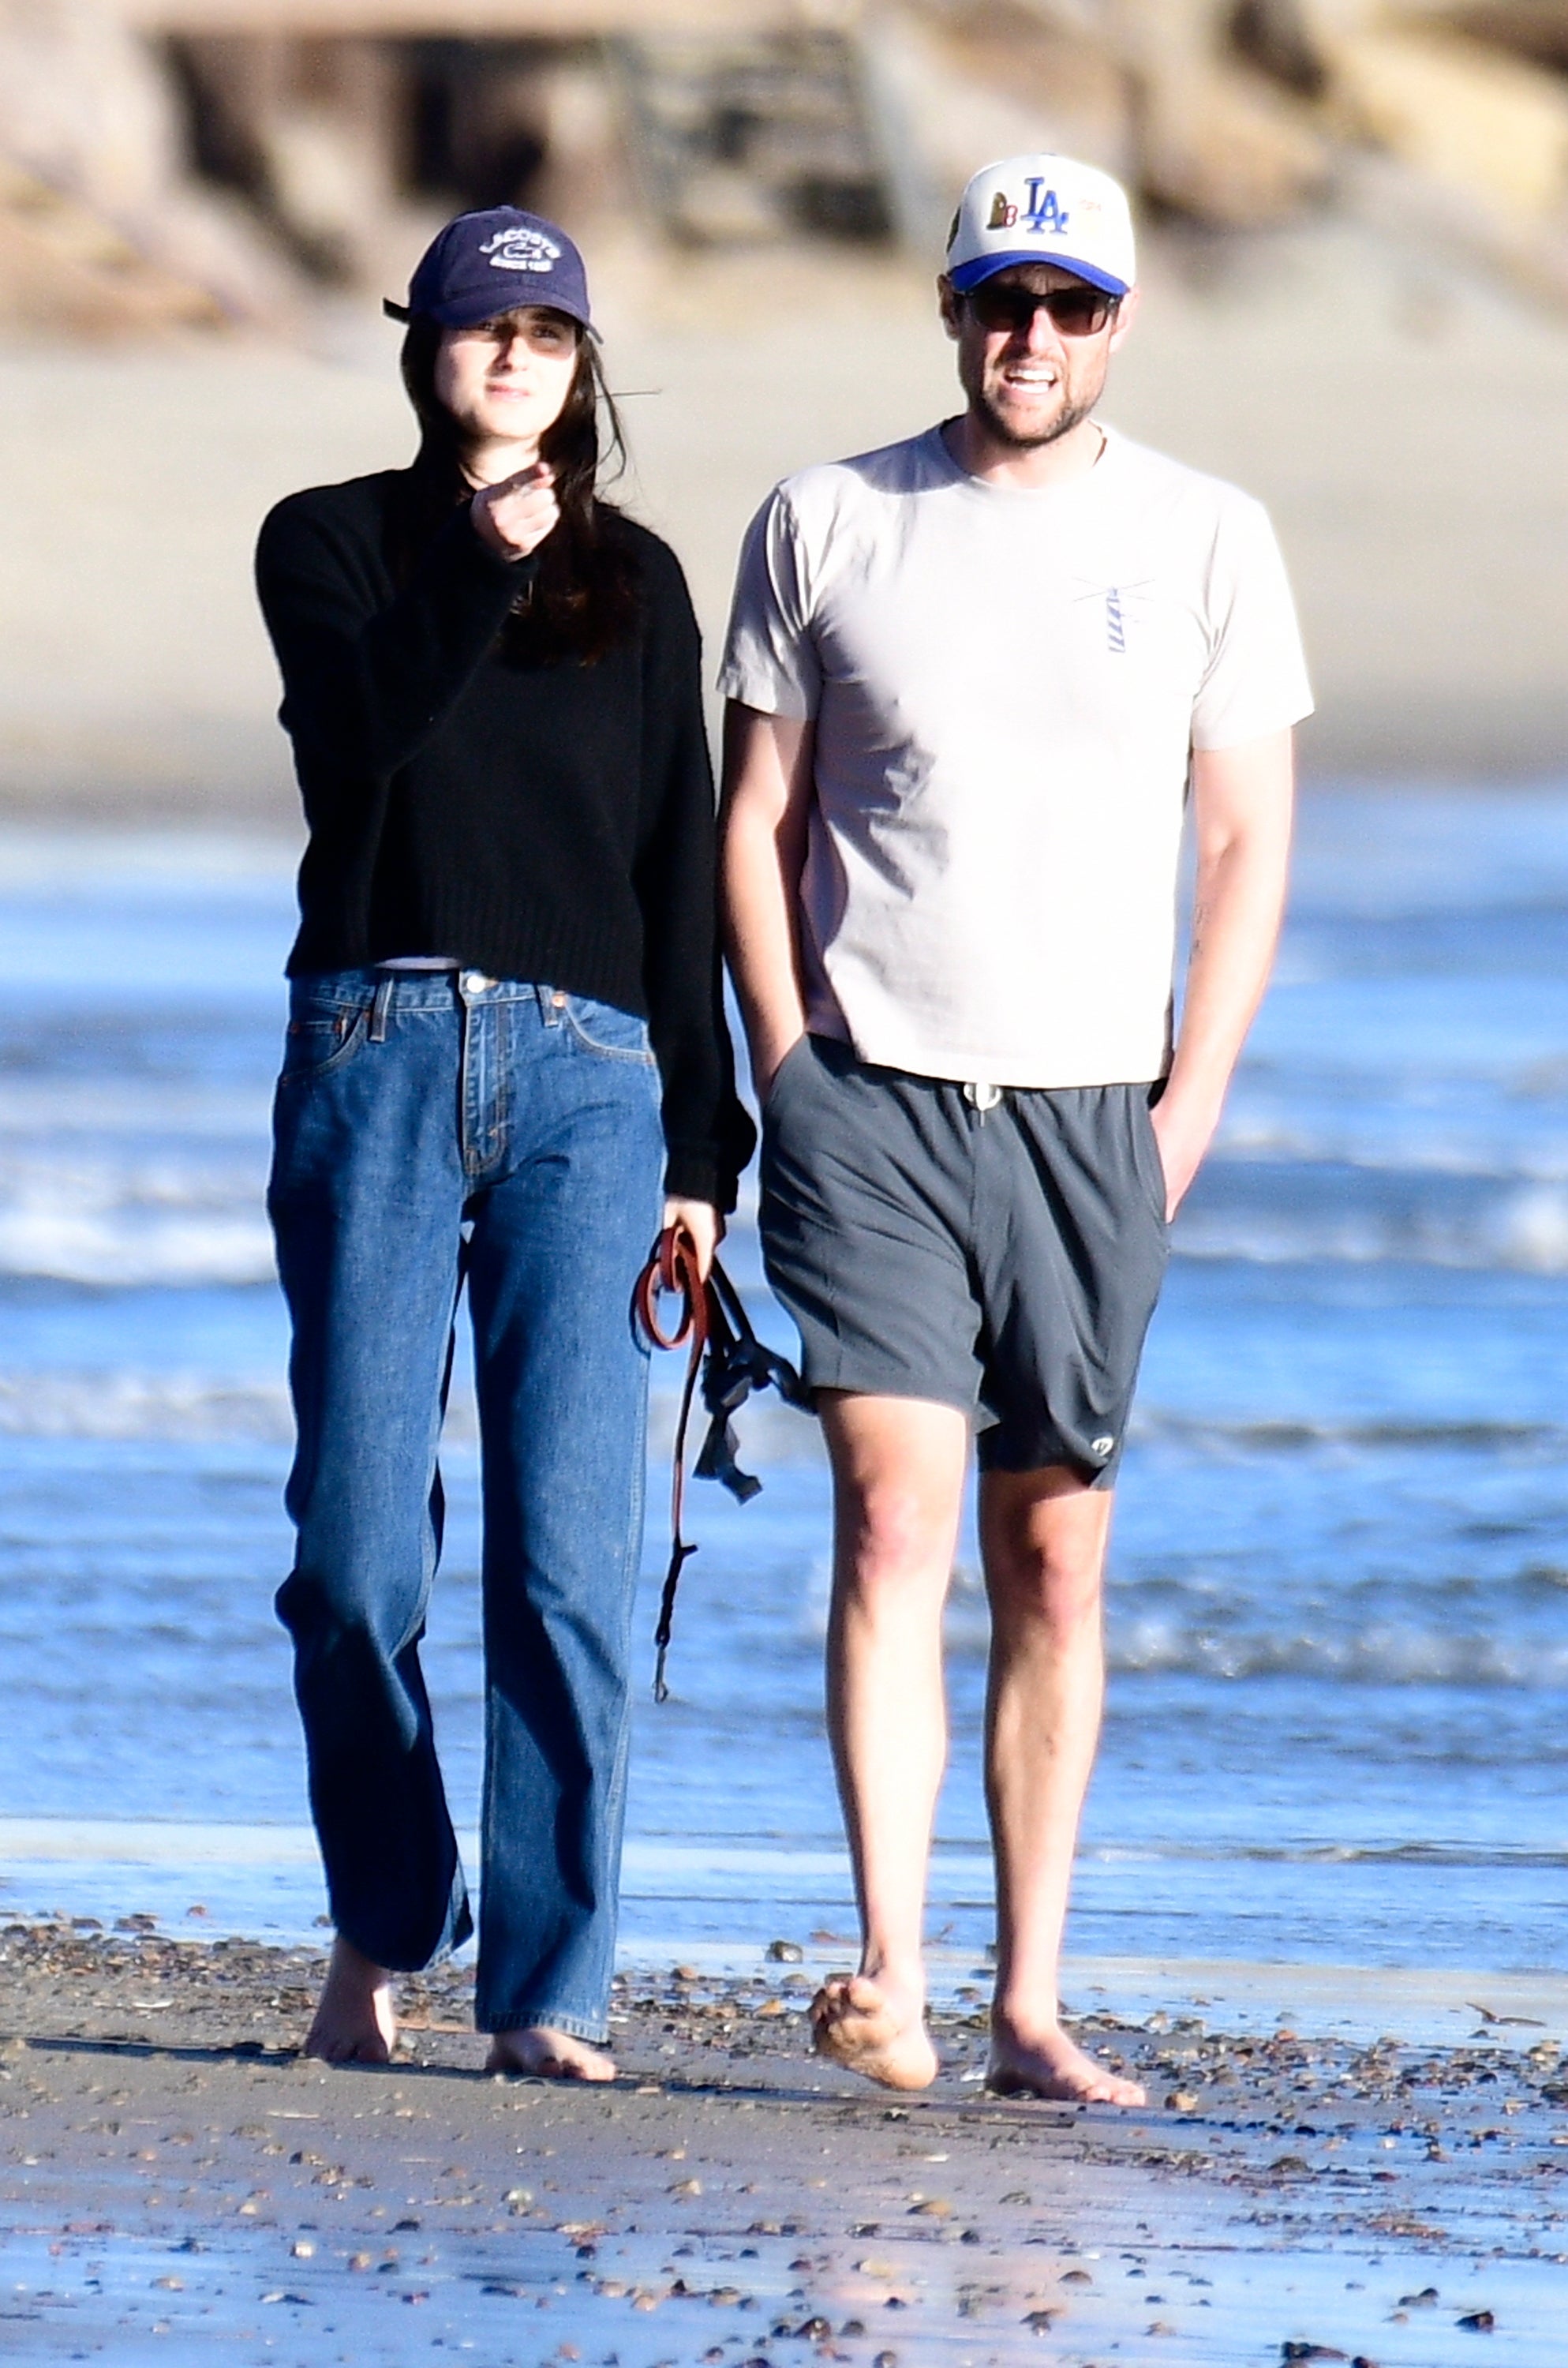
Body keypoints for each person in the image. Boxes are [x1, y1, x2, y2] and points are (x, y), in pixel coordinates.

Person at [719, 155, 1311, 2100]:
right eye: (998, 301)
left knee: (1052, 1560)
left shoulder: (1210, 536)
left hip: (1092, 1123)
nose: (1029, 339)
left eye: (1067, 307)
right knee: (893, 1522)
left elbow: (1240, 847)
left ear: (1118, 323)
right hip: (868, 1106)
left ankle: (1028, 2001)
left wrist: (1185, 1106)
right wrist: (789, 1066)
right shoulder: (825, 520)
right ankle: (889, 1970)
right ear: (953, 309)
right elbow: (759, 821)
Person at [256, 206, 750, 2079]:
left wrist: (706, 1160)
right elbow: (357, 742)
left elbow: (678, 869)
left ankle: (544, 1994)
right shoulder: (329, 541)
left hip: (591, 1082)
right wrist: (477, 558)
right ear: (427, 352)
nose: (515, 358)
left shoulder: (644, 582)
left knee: (566, 1563)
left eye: (548, 334)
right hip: (374, 1046)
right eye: (484, 330)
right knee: (353, 1561)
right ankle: (386, 1923)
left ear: (583, 364)